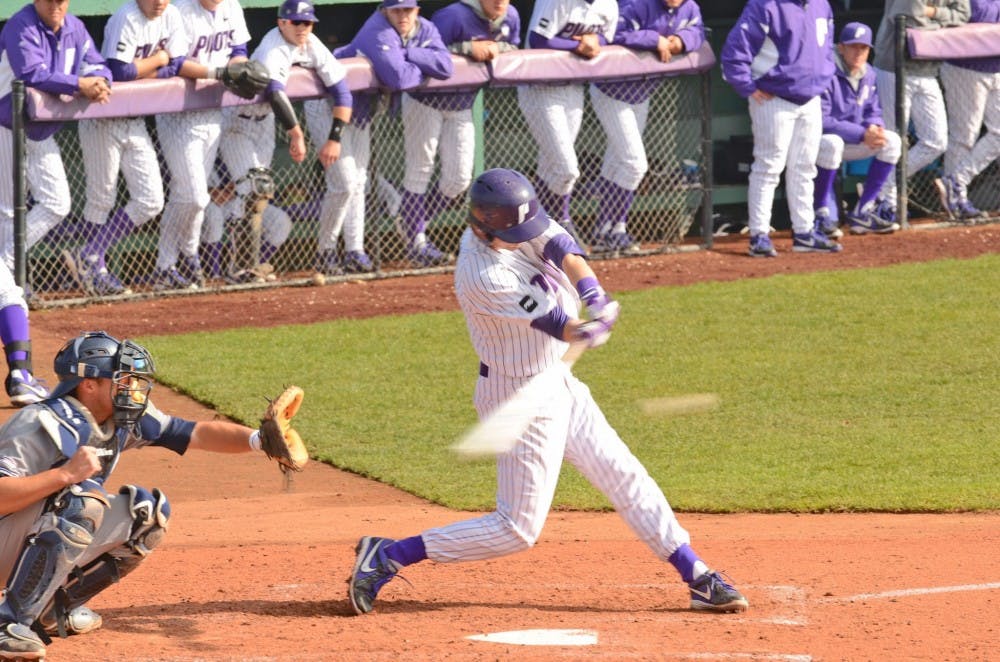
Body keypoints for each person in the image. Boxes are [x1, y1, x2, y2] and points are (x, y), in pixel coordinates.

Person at [346, 168, 749, 617]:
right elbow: (556, 323)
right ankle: (388, 555)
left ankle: (698, 577)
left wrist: (594, 294)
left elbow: (564, 250)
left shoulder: (517, 223)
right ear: (484, 227)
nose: (526, 235)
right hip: (519, 396)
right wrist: (588, 328)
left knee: (623, 473)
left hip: (556, 380)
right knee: (516, 529)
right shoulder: (482, 273)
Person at [0, 331, 296, 659]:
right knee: (82, 501)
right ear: (89, 384)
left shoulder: (122, 420)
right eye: (123, 379)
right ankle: (8, 624)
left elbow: (192, 432)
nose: (134, 388)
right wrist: (64, 475)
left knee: (147, 515)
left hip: (26, 539)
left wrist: (258, 440)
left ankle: (50, 610)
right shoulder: (40, 422)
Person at [0, 0, 112, 406]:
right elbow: (31, 73)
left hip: (39, 131)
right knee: (8, 285)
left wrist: (95, 78)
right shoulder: (21, 25)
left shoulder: (75, 28)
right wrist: (78, 84)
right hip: (5, 127)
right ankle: (21, 374)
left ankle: (8, 260)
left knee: (56, 204)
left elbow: (99, 65)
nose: (58, 5)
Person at [306, 0, 453, 273]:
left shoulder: (424, 28)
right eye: (397, 9)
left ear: (417, 10)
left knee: (359, 182)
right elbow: (399, 79)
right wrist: (419, 58)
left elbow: (446, 67)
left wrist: (409, 53)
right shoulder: (378, 30)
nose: (403, 15)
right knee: (345, 184)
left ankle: (354, 251)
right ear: (385, 10)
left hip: (361, 112)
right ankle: (325, 252)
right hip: (327, 107)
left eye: (408, 9)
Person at [220, 0, 356, 279]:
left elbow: (342, 92)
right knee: (251, 190)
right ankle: (236, 268)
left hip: (265, 124)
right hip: (237, 122)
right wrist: (296, 134)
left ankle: (251, 266)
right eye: (296, 22)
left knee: (260, 193)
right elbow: (275, 93)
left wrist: (335, 138)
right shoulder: (273, 47)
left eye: (308, 22)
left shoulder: (311, 42)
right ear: (282, 22)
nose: (303, 27)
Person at [63, 0, 188, 298]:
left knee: (151, 199)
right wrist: (159, 59)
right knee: (101, 198)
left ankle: (90, 252)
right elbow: (119, 71)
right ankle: (98, 269)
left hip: (136, 120)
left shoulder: (171, 14)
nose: (159, 2)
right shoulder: (126, 17)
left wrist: (147, 68)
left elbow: (178, 65)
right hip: (103, 116)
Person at [383, 0, 520, 262]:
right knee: (420, 170)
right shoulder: (453, 16)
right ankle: (416, 241)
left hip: (462, 103)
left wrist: (495, 49)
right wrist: (467, 49)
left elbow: (513, 47)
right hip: (425, 99)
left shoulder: (510, 15)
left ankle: (413, 219)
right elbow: (421, 51)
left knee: (458, 180)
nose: (500, 2)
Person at [721, 0, 840, 257]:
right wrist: (748, 87)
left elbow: (827, 49)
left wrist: (823, 80)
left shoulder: (821, 5)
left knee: (805, 167)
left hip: (811, 99)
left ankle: (804, 232)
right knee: (768, 167)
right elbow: (733, 54)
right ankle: (759, 235)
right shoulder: (765, 5)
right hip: (773, 98)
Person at [588, 0, 705, 253]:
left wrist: (679, 41)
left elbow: (698, 31)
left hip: (642, 93)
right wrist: (655, 39)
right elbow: (613, 34)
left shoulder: (690, 8)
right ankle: (613, 226)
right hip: (611, 90)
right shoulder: (638, 4)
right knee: (635, 164)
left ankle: (606, 231)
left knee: (617, 162)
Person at [152, 0, 253, 291]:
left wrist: (237, 67)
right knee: (197, 196)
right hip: (178, 112)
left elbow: (238, 50)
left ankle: (165, 266)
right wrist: (220, 74)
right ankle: (189, 253)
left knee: (184, 194)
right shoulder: (180, 11)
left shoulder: (231, 6)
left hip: (213, 110)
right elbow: (177, 62)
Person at [518, 0, 618, 247]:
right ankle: (561, 224)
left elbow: (607, 38)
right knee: (567, 169)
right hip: (540, 87)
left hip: (573, 86)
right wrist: (577, 44)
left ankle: (530, 232)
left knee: (551, 168)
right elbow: (538, 39)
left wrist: (595, 42)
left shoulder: (609, 4)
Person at [873, 0, 970, 224]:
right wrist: (946, 28)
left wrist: (933, 13)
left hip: (927, 70)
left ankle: (881, 187)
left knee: (936, 141)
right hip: (894, 67)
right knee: (893, 139)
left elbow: (964, 15)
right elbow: (914, 20)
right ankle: (885, 202)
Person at [814, 22, 901, 237]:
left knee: (892, 140)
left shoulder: (868, 73)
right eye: (853, 46)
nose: (858, 52)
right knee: (832, 143)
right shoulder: (826, 71)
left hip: (853, 139)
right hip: (819, 142)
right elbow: (822, 120)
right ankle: (820, 212)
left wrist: (875, 127)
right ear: (841, 47)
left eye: (863, 48)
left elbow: (874, 108)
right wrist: (862, 133)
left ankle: (863, 211)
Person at [936, 0, 999, 223]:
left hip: (996, 68)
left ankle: (956, 181)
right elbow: (959, 18)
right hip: (964, 67)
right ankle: (956, 199)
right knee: (965, 135)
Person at [201, 167, 292, 282]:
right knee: (213, 216)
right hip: (204, 200)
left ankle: (251, 269)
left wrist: (234, 191)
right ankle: (214, 275)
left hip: (235, 199)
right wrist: (208, 192)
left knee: (280, 221)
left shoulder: (239, 151)